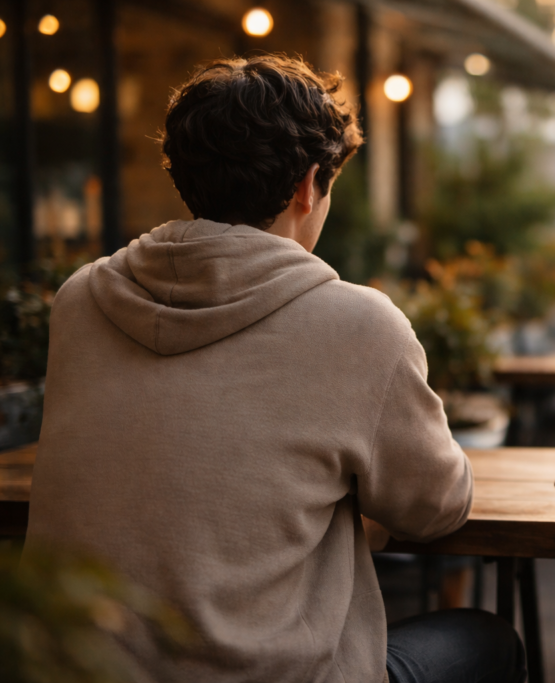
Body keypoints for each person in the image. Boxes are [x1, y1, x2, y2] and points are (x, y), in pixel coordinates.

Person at [24, 55, 525, 683]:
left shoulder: (80, 300)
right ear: (306, 186)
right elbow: (436, 508)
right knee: (487, 638)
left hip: (75, 667)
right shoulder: (359, 325)